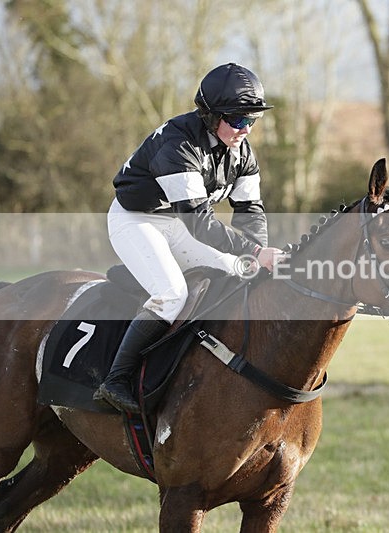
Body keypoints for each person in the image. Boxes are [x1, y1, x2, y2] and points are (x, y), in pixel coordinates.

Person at [94, 63, 284, 413]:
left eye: (252, 121)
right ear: (211, 116)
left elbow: (250, 210)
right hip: (137, 220)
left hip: (177, 225)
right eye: (238, 120)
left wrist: (256, 255)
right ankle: (116, 379)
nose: (245, 129)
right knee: (172, 294)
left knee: (239, 269)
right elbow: (200, 223)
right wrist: (257, 250)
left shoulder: (242, 152)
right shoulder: (179, 145)